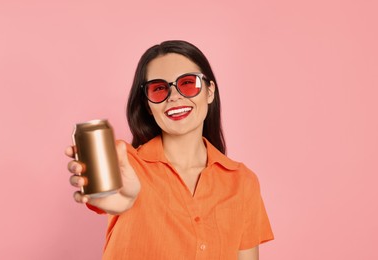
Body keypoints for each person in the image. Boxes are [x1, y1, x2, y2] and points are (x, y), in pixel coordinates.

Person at [66, 40, 274, 260]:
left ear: (210, 92)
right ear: (148, 105)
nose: (174, 96)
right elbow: (113, 197)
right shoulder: (126, 164)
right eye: (159, 89)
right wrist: (113, 197)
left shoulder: (242, 182)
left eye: (187, 83)